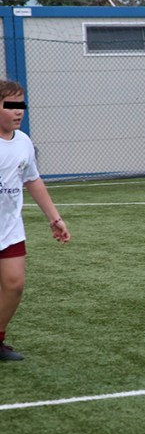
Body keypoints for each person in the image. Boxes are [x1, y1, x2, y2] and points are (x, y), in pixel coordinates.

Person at [0, 80, 71, 361]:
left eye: (21, 105)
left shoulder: (24, 142)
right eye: (10, 105)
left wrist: (55, 218)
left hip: (9, 229)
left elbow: (33, 180)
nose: (18, 111)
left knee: (14, 285)